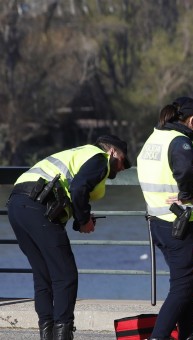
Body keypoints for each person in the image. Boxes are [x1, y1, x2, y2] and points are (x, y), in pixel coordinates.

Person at [7, 134, 131, 340]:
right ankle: (63, 333)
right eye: (122, 161)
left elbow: (71, 190)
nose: (121, 167)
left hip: (17, 205)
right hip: (37, 206)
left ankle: (47, 333)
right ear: (111, 152)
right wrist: (83, 221)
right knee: (65, 275)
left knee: (43, 274)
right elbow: (78, 188)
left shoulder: (78, 154)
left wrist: (80, 216)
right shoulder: (100, 158)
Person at [137, 97, 193, 340]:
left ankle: (189, 334)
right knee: (183, 287)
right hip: (178, 224)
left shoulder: (154, 138)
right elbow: (186, 171)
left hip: (158, 222)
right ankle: (158, 337)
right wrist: (187, 197)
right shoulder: (180, 142)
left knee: (189, 285)